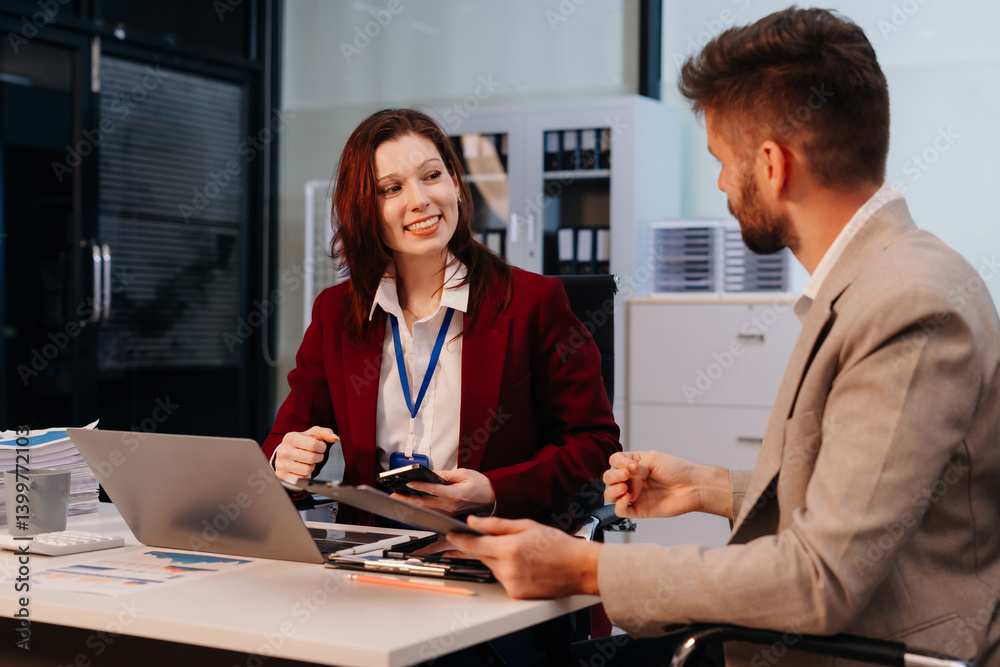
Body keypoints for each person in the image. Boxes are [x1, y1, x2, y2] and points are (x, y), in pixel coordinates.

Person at [449, 7, 1000, 665]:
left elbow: (820, 579)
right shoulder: (882, 281)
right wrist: (707, 487)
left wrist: (586, 568)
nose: (719, 184)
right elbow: (869, 502)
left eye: (721, 160)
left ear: (771, 164)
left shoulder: (907, 303)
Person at [262, 108, 620, 526]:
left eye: (432, 176)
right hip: (373, 550)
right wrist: (284, 460)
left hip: (489, 547)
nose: (420, 200)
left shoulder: (531, 302)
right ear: (366, 209)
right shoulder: (336, 312)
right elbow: (287, 436)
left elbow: (594, 443)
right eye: (391, 188)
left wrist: (492, 491)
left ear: (454, 181)